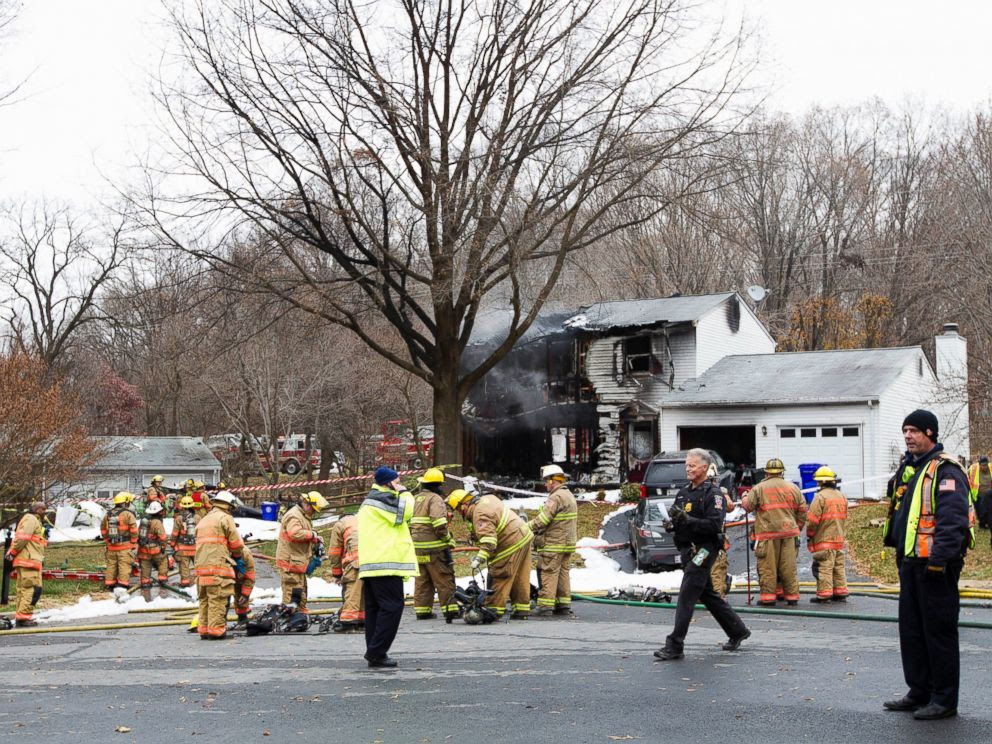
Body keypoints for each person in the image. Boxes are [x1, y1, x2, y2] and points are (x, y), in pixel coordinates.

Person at [882, 409, 974, 720]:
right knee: (912, 632)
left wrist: (939, 561)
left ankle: (944, 699)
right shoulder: (912, 468)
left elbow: (952, 522)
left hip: (935, 568)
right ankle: (919, 691)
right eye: (905, 430)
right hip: (911, 565)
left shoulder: (946, 471)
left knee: (938, 633)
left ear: (930, 434)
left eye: (914, 431)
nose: (907, 436)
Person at [654, 449, 750, 661]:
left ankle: (675, 644)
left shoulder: (713, 494)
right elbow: (677, 520)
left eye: (693, 465)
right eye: (687, 465)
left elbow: (713, 524)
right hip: (688, 549)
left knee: (687, 593)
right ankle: (737, 631)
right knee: (707, 594)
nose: (688, 469)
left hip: (705, 550)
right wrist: (672, 524)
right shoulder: (683, 493)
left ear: (704, 468)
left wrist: (687, 521)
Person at [358, 467, 418, 668]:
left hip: (373, 565)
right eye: (397, 480)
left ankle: (374, 651)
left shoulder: (372, 501)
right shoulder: (382, 499)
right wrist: (405, 492)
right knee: (392, 607)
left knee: (375, 610)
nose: (399, 483)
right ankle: (377, 651)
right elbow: (407, 511)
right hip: (385, 564)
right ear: (387, 482)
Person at [447, 487, 533, 620]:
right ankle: (521, 610)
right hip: (524, 537)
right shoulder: (488, 500)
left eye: (458, 510)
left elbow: (489, 542)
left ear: (463, 505)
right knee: (519, 577)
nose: (460, 513)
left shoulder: (479, 513)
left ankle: (492, 610)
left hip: (509, 543)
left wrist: (479, 559)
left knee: (500, 574)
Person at [741, 458, 807, 606]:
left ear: (766, 473)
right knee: (788, 566)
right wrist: (797, 528)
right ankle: (791, 597)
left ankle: (768, 598)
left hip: (767, 535)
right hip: (789, 533)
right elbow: (803, 510)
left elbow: (748, 507)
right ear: (782, 472)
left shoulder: (759, 488)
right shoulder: (793, 488)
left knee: (768, 567)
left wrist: (745, 496)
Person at [194, 490, 245, 640]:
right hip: (217, 567)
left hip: (201, 568)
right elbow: (236, 544)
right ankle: (216, 631)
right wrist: (237, 557)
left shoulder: (205, 519)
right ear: (229, 505)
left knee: (205, 600)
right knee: (217, 599)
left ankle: (204, 629)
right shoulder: (225, 518)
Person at [529, 464, 577, 617]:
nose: (544, 484)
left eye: (545, 481)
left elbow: (543, 520)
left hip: (553, 544)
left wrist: (526, 526)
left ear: (552, 481)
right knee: (563, 574)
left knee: (548, 573)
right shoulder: (568, 495)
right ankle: (563, 605)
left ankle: (545, 607)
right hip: (567, 544)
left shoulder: (556, 497)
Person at [410, 467, 457, 621]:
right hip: (434, 548)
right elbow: (439, 524)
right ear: (438, 485)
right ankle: (451, 610)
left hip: (417, 548)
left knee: (423, 580)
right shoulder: (435, 499)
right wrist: (447, 539)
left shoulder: (416, 498)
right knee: (443, 578)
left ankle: (423, 611)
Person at [275, 491, 328, 614]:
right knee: (292, 592)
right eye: (313, 510)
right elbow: (295, 533)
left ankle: (300, 616)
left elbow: (302, 532)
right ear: (308, 505)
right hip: (290, 562)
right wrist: (312, 534)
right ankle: (289, 618)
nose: (313, 513)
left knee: (300, 591)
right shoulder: (294, 515)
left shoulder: (302, 515)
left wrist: (314, 538)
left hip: (297, 562)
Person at [806, 467, 848, 603]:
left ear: (821, 482)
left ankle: (824, 595)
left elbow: (812, 521)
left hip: (824, 541)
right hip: (839, 539)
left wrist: (810, 534)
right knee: (838, 567)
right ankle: (840, 592)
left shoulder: (820, 497)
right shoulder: (841, 496)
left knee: (824, 567)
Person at [5, 501, 48, 627]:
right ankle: (24, 618)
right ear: (36, 509)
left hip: (28, 560)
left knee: (25, 589)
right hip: (28, 561)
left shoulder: (32, 520)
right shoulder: (31, 519)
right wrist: (12, 552)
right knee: (32, 589)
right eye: (42, 509)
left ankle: (22, 616)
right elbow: (23, 538)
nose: (45, 512)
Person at [327, 512, 365, 631]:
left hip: (356, 560)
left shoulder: (340, 524)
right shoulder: (361, 520)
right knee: (364, 590)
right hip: (372, 558)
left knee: (352, 590)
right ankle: (363, 620)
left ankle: (348, 622)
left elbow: (335, 552)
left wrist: (337, 573)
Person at [100, 492, 139, 592]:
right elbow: (134, 529)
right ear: (126, 502)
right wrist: (134, 542)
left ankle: (110, 584)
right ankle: (122, 586)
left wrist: (107, 540)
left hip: (111, 547)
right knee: (124, 566)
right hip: (125, 547)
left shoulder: (108, 514)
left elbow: (103, 529)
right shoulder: (128, 514)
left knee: (111, 566)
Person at [706, 464, 734, 598]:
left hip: (697, 542)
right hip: (715, 540)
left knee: (698, 568)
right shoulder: (717, 494)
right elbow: (730, 507)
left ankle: (701, 596)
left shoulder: (691, 492)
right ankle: (717, 599)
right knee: (717, 568)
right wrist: (725, 494)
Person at [137, 501, 169, 601]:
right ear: (159, 512)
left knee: (145, 565)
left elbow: (138, 535)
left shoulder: (143, 521)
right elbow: (163, 537)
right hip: (155, 549)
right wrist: (163, 547)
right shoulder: (157, 522)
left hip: (143, 549)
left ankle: (145, 583)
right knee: (163, 561)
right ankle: (162, 580)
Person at [169, 496, 199, 588]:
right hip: (196, 547)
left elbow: (174, 533)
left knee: (184, 567)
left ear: (182, 506)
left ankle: (185, 583)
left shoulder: (179, 518)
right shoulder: (198, 517)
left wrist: (172, 544)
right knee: (198, 565)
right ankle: (200, 583)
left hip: (182, 548)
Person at [968, 454, 992, 532]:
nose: (984, 467)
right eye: (982, 465)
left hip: (989, 493)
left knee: (987, 510)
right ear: (979, 464)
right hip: (978, 493)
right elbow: (966, 476)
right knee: (980, 511)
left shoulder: (991, 467)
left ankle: (986, 524)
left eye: (985, 465)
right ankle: (982, 524)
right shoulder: (973, 468)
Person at [232, 546, 256, 627]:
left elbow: (250, 577)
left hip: (240, 577)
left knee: (241, 596)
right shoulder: (222, 552)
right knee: (222, 599)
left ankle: (242, 618)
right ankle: (219, 622)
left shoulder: (246, 555)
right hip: (224, 577)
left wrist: (245, 594)